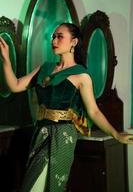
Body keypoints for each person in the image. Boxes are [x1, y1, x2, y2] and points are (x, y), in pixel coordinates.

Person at [0, 22, 133, 192]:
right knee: (31, 185)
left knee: (51, 187)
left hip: (63, 136)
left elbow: (93, 111)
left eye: (60, 36)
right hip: (40, 132)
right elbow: (16, 85)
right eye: (53, 37)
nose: (54, 40)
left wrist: (116, 134)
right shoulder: (45, 67)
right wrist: (6, 59)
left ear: (74, 42)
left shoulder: (81, 75)